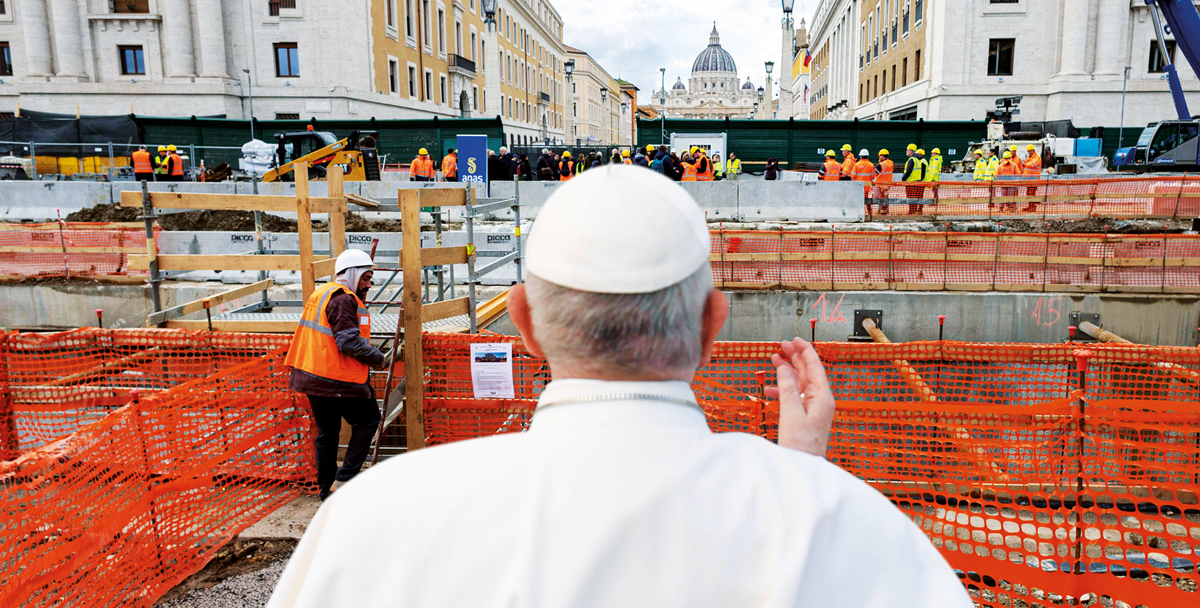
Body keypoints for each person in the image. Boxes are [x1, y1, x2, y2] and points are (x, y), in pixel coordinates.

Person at [266, 166, 974, 608]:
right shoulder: (847, 524)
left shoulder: (370, 523)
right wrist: (798, 481)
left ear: (524, 325)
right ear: (712, 325)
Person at [283, 249, 388, 502]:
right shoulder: (343, 299)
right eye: (366, 278)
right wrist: (378, 358)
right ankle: (345, 478)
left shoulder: (322, 293)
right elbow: (349, 343)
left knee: (327, 433)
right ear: (353, 274)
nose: (368, 284)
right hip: (337, 379)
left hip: (313, 378)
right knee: (369, 419)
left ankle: (326, 490)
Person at [904, 148, 929, 215]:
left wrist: (919, 180)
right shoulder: (924, 161)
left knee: (916, 196)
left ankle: (915, 210)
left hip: (918, 182)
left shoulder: (920, 161)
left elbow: (922, 173)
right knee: (919, 196)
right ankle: (918, 210)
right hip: (920, 181)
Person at [1021, 144, 1043, 213]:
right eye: (1028, 151)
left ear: (1033, 150)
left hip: (1034, 179)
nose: (1029, 152)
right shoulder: (1029, 157)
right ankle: (1030, 207)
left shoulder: (1037, 157)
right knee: (1029, 193)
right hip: (1029, 179)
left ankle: (1032, 207)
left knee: (1032, 193)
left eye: (1030, 151)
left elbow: (1033, 164)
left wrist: (1025, 164)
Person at [874, 148, 894, 215]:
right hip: (888, 184)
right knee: (886, 197)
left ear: (882, 156)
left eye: (880, 156)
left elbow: (876, 173)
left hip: (880, 184)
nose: (879, 157)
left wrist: (879, 162)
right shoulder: (891, 163)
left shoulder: (881, 164)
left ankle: (881, 211)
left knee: (881, 198)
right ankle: (886, 210)